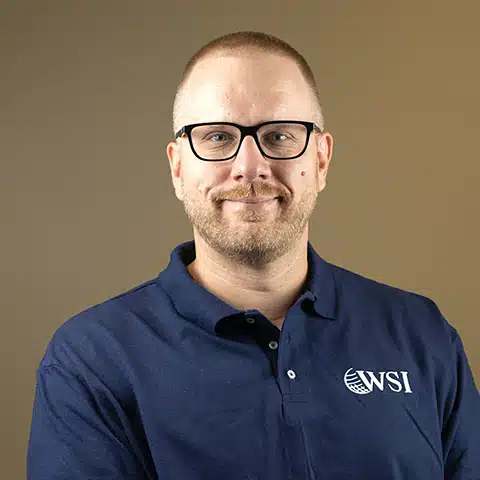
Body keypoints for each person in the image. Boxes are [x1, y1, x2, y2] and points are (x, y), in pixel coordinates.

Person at [27, 31, 479, 480]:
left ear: (321, 160)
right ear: (178, 167)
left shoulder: (421, 335)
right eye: (217, 137)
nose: (249, 167)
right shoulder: (92, 360)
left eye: (279, 135)